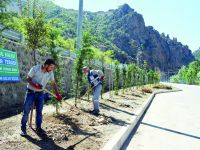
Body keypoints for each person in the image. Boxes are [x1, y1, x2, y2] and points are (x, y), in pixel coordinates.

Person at [20, 59, 62, 136]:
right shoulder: (35, 68)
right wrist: (35, 85)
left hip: (40, 94)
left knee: (39, 112)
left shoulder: (50, 72)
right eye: (51, 67)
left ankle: (38, 128)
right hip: (30, 92)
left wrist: (57, 94)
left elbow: (53, 83)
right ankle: (23, 129)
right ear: (46, 65)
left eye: (53, 68)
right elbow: (28, 78)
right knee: (26, 112)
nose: (52, 69)